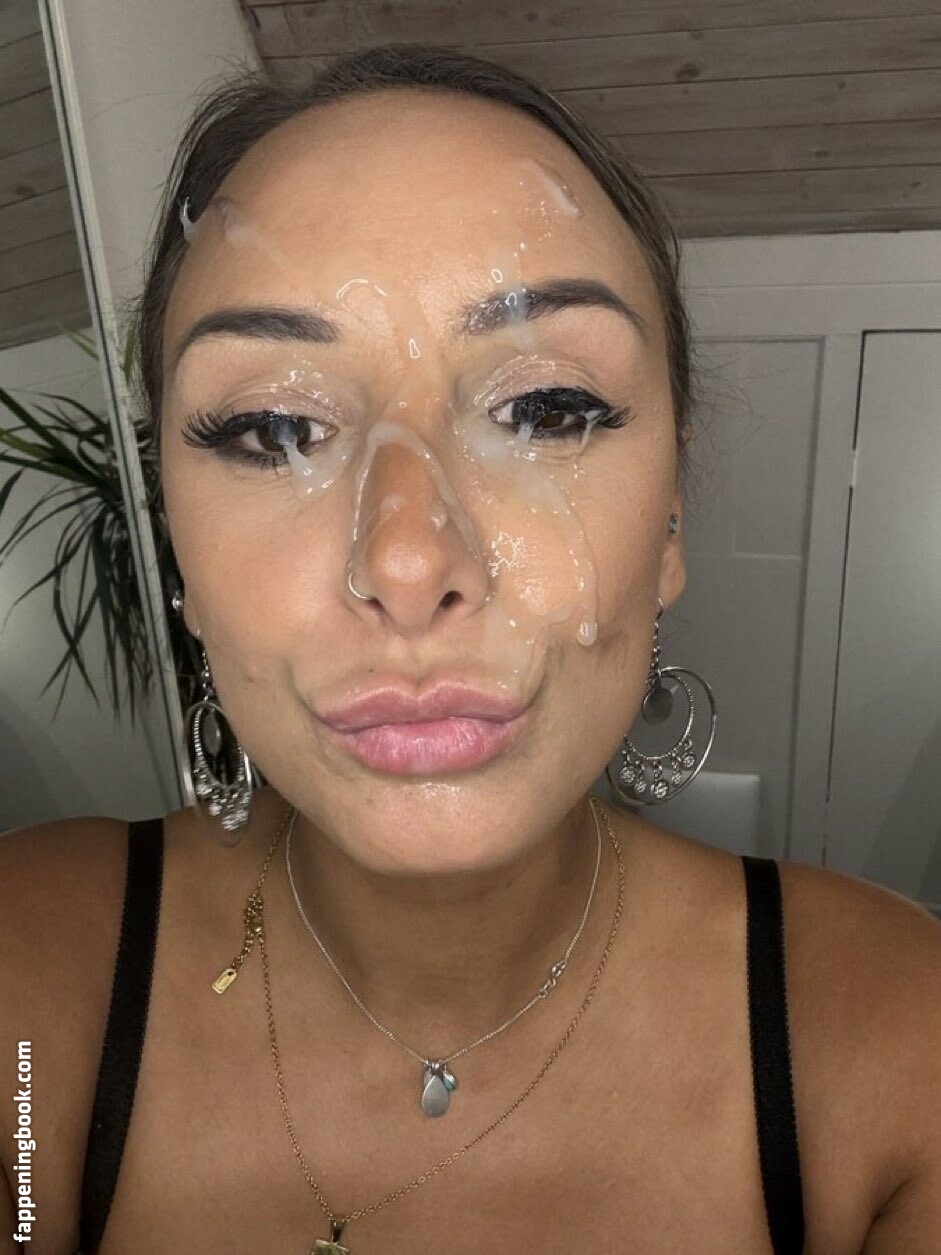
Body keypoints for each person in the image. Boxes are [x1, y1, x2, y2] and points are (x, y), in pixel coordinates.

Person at [1, 43, 938, 1255]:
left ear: (667, 523)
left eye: (545, 408)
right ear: (181, 557)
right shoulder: (32, 984)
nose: (406, 561)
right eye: (273, 427)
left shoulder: (897, 1043)